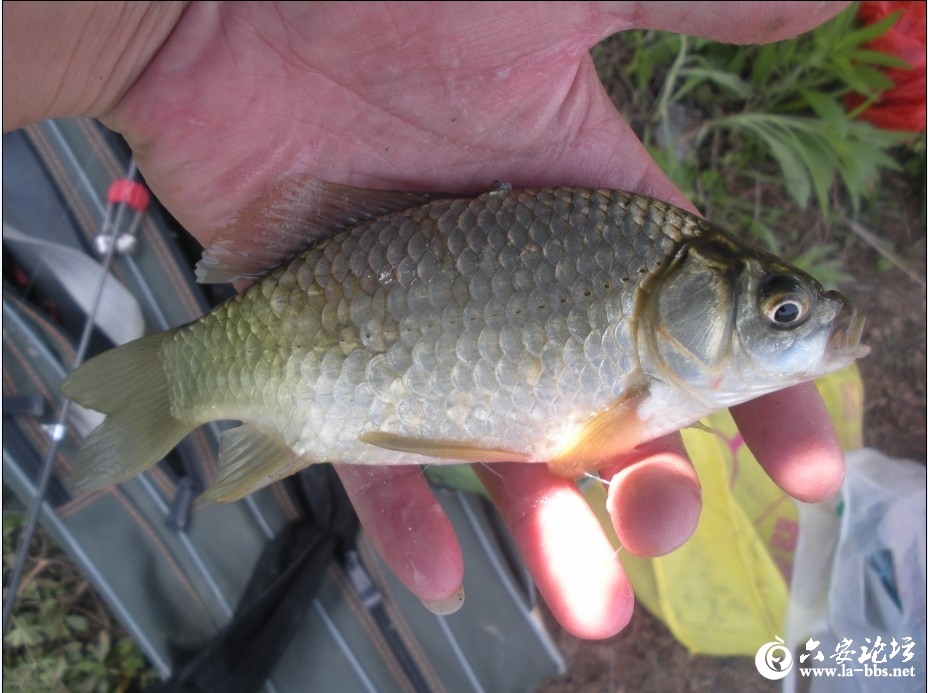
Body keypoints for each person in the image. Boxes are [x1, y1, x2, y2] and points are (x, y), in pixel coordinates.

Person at [3, 1, 852, 639]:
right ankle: (179, 383)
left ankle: (180, 392)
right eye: (782, 311)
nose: (801, 326)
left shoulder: (649, 273)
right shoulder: (647, 284)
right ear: (682, 299)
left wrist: (163, 26)